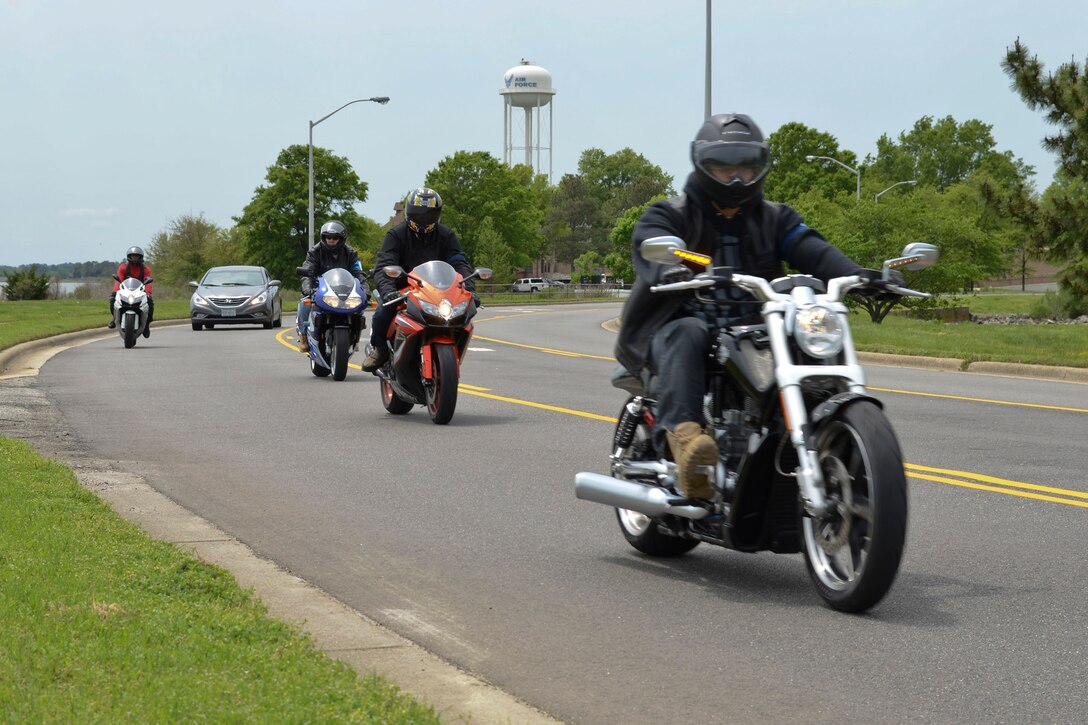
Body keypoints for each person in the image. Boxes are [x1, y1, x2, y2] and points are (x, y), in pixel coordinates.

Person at [615, 113, 887, 499]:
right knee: (688, 331)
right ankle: (687, 443)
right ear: (704, 165)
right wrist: (673, 267)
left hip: (752, 333)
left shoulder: (775, 218)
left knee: (806, 336)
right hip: (677, 325)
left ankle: (826, 438)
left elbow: (811, 249)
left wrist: (860, 276)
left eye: (746, 166)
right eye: (725, 168)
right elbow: (657, 244)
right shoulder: (670, 213)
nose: (737, 177)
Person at [361, 187, 477, 372]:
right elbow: (385, 265)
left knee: (464, 315)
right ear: (409, 213)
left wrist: (469, 288)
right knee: (382, 313)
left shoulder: (446, 235)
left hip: (438, 291)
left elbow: (459, 263)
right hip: (403, 289)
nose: (424, 220)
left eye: (429, 215)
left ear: (437, 215)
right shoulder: (396, 235)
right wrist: (388, 291)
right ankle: (380, 350)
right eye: (419, 215)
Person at [296, 220, 370, 353]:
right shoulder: (315, 252)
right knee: (305, 304)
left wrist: (365, 290)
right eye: (327, 237)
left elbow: (358, 272)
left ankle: (354, 336)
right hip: (320, 289)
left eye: (334, 238)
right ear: (323, 237)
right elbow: (307, 270)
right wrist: (307, 288)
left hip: (344, 289)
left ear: (341, 239)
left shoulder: (351, 253)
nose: (330, 240)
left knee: (359, 308)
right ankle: (303, 336)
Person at [108, 246, 154, 337]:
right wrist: (116, 291)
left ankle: (147, 324)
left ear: (141, 257)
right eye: (133, 256)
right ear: (129, 257)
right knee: (113, 300)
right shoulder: (123, 267)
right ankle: (114, 319)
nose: (135, 258)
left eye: (137, 256)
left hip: (141, 292)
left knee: (150, 303)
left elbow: (148, 282)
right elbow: (119, 279)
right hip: (126, 291)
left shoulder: (146, 269)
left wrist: (148, 293)